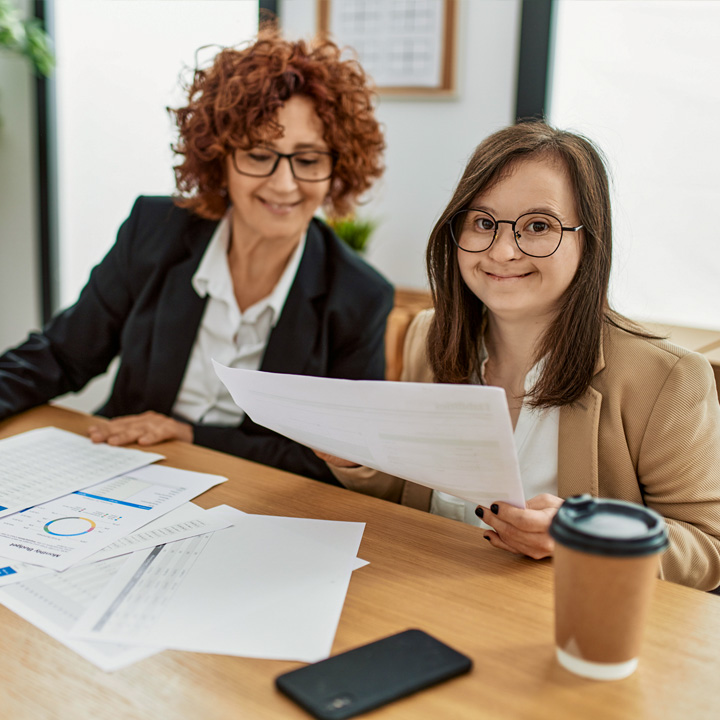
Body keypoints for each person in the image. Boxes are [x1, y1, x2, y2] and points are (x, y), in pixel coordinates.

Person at [320, 122, 720, 590]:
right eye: (484, 223)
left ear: (588, 241)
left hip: (566, 623)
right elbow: (415, 497)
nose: (503, 250)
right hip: (427, 594)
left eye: (537, 226)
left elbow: (709, 545)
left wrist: (587, 539)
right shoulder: (430, 336)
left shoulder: (666, 378)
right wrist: (355, 463)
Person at [0, 30, 393, 484]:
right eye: (259, 154)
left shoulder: (360, 295)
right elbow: (61, 355)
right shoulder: (155, 230)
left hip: (262, 502)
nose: (285, 184)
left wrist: (188, 435)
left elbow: (328, 462)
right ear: (219, 158)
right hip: (122, 474)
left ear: (337, 167)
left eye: (308, 160)